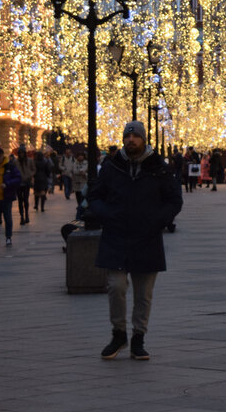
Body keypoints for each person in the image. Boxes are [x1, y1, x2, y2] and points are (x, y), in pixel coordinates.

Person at [86, 121, 182, 360]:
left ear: (143, 139)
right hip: (116, 236)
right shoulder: (111, 167)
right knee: (116, 286)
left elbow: (174, 200)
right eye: (128, 136)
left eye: (136, 136)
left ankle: (138, 337)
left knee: (143, 294)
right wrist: (106, 215)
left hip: (146, 237)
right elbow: (95, 196)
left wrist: (157, 221)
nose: (131, 140)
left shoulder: (158, 167)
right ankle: (119, 333)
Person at [14, 147, 35, 225]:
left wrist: (30, 174)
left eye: (23, 153)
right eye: (20, 153)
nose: (21, 154)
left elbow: (33, 169)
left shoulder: (29, 161)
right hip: (18, 183)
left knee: (25, 199)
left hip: (26, 182)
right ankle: (21, 216)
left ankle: (26, 214)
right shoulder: (16, 162)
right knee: (20, 200)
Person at [69, 150, 90, 218]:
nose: (80, 157)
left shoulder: (86, 163)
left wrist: (85, 174)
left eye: (81, 156)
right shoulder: (75, 163)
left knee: (82, 196)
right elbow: (74, 171)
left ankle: (81, 210)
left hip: (83, 182)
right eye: (79, 156)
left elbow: (85, 171)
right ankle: (79, 208)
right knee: (78, 196)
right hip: (76, 182)